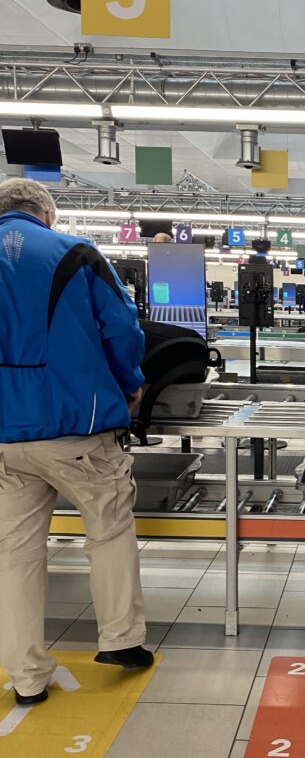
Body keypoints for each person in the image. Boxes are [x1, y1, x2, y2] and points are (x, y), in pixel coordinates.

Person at [0, 178, 152, 707]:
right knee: (108, 530)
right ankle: (120, 640)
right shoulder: (75, 253)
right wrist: (130, 384)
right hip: (77, 426)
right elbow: (122, 327)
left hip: (4, 435)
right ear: (46, 214)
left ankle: (26, 676)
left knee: (15, 554)